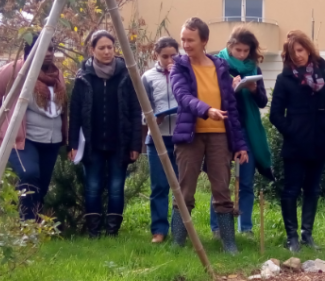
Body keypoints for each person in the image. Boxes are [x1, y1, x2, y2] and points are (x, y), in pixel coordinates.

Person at [169, 17, 249, 253]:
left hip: (219, 138)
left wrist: (240, 144)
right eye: (183, 39)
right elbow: (182, 96)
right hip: (189, 137)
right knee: (185, 191)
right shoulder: (179, 67)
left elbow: (231, 109)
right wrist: (206, 110)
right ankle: (178, 242)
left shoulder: (220, 67)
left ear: (204, 41)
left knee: (222, 190)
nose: (185, 44)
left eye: (190, 40)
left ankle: (229, 243)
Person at [68, 30, 141, 238]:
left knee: (117, 187)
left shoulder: (127, 75)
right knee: (93, 187)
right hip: (92, 144)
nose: (107, 51)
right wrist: (72, 144)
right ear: (92, 50)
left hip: (120, 143)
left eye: (110, 47)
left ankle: (112, 231)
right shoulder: (83, 77)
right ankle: (94, 231)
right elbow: (74, 114)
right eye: (101, 48)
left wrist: (135, 145)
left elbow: (136, 112)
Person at [270, 30, 325, 252]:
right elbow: (275, 114)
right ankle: (292, 237)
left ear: (308, 49)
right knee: (291, 190)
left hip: (319, 140)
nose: (297, 55)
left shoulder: (324, 76)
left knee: (313, 189)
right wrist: (292, 131)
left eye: (300, 50)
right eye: (292, 52)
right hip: (295, 143)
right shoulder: (284, 78)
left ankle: (307, 234)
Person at [0, 36, 68, 221]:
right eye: (42, 49)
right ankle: (27, 221)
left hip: (52, 139)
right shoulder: (15, 71)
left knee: (43, 183)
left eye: (50, 49)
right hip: (23, 139)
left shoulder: (57, 75)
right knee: (29, 174)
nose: (48, 54)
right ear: (29, 51)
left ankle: (36, 223)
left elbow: (62, 108)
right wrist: (5, 127)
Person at [209, 27, 272, 236]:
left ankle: (245, 228)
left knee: (246, 180)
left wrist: (253, 90)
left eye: (246, 51)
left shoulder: (253, 68)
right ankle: (218, 227)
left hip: (248, 129)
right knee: (221, 181)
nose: (242, 55)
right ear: (230, 46)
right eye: (238, 50)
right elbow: (211, 96)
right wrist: (229, 85)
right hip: (222, 128)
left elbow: (263, 102)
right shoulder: (217, 64)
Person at [142, 37, 180, 243]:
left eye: (173, 56)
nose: (169, 60)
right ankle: (159, 230)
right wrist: (152, 117)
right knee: (159, 186)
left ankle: (179, 229)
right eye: (164, 56)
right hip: (156, 138)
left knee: (181, 187)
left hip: (181, 138)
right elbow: (141, 108)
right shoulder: (147, 77)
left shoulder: (184, 74)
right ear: (156, 56)